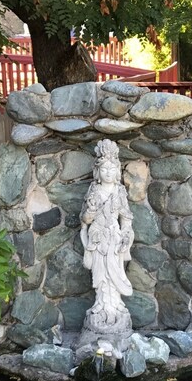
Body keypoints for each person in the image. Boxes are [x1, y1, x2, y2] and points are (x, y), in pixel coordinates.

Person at [80, 139, 134, 335]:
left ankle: (115, 306)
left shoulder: (119, 191)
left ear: (118, 171)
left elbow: (126, 217)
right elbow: (84, 219)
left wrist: (127, 234)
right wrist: (90, 214)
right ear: (97, 172)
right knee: (100, 275)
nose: (108, 172)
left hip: (114, 238)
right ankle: (101, 306)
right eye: (104, 169)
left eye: (112, 168)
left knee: (115, 273)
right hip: (97, 239)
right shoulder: (93, 190)